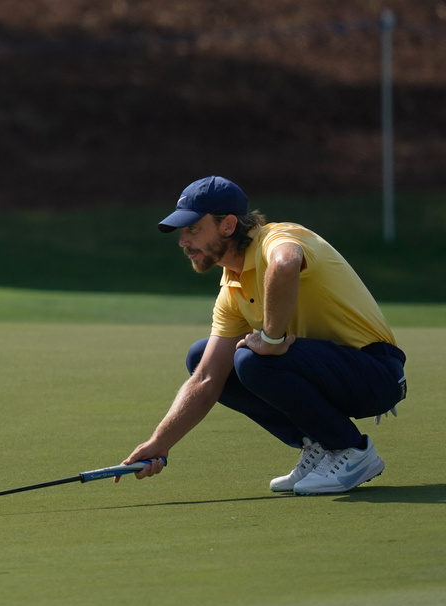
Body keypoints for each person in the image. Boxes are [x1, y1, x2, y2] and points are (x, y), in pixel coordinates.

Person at [120, 176, 407, 495]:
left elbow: (285, 263)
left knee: (252, 360)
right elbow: (206, 379)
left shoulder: (277, 237)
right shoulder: (232, 287)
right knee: (201, 357)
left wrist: (270, 340)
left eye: (193, 229)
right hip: (334, 375)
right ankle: (319, 443)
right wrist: (159, 442)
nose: (183, 241)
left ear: (228, 225)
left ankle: (351, 450)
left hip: (376, 373)